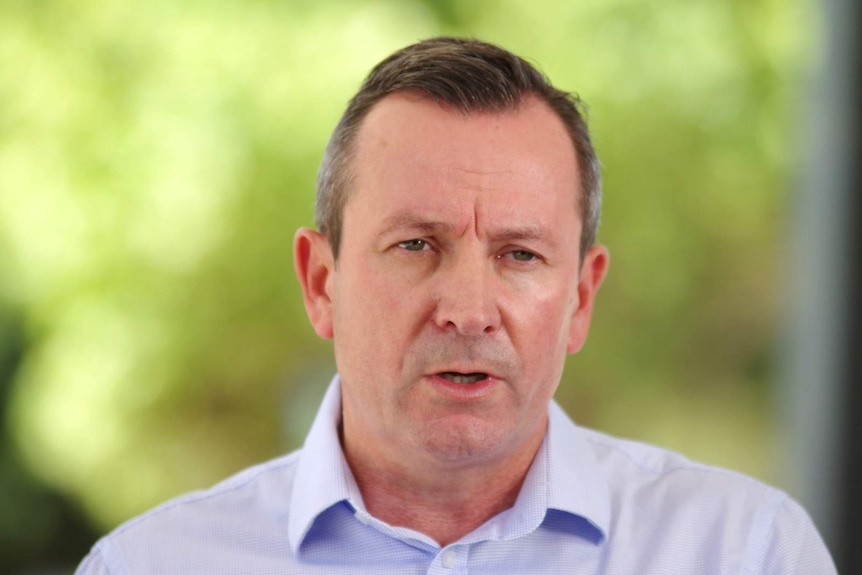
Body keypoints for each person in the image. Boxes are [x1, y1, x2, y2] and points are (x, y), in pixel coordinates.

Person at [75, 37, 836, 574]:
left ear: (580, 297)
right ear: (321, 281)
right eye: (416, 245)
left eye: (520, 255)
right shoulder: (148, 565)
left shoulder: (745, 552)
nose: (468, 310)